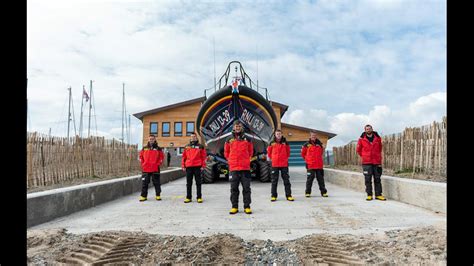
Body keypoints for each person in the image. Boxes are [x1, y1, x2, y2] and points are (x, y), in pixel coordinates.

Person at [224, 121, 253, 214]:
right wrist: (230, 160)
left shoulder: (247, 139)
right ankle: (234, 207)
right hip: (234, 168)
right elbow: (226, 152)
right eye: (236, 126)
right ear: (233, 127)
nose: (238, 128)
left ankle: (247, 206)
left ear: (241, 127)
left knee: (246, 189)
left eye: (239, 126)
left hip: (245, 168)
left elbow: (251, 151)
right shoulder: (229, 139)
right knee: (234, 189)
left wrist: (247, 159)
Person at [356, 124, 386, 201]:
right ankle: (369, 195)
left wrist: (377, 156)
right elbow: (358, 150)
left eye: (369, 128)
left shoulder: (378, 138)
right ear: (365, 130)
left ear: (372, 129)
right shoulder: (361, 139)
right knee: (368, 179)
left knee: (377, 179)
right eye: (367, 129)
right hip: (366, 163)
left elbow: (380, 148)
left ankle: (378, 195)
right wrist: (365, 156)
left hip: (376, 162)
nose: (368, 130)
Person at [267, 129, 294, 202]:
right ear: (275, 135)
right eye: (277, 134)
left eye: (279, 134)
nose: (278, 135)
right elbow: (269, 153)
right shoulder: (271, 143)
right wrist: (273, 159)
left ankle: (289, 195)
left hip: (284, 164)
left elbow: (288, 152)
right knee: (274, 181)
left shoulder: (285, 143)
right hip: (275, 164)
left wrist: (284, 158)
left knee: (286, 181)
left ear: (281, 134)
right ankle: (273, 196)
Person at [181, 133, 207, 203]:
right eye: (192, 137)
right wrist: (183, 165)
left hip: (197, 166)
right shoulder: (187, 146)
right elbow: (184, 157)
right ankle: (188, 197)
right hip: (188, 166)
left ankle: (199, 197)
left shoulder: (200, 146)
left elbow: (203, 157)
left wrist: (203, 165)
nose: (193, 138)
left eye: (194, 137)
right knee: (188, 183)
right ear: (190, 138)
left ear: (196, 138)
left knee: (198, 183)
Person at [301, 131, 328, 198]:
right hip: (310, 165)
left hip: (319, 165)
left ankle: (323, 192)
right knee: (309, 180)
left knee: (321, 180)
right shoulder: (306, 145)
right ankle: (307, 193)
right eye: (312, 135)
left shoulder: (319, 144)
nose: (314, 137)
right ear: (310, 136)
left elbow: (321, 153)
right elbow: (303, 154)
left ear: (316, 136)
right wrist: (308, 160)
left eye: (315, 135)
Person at [139, 134, 164, 202]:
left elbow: (161, 157)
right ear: (148, 139)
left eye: (152, 139)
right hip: (146, 168)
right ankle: (143, 196)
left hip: (155, 168)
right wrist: (143, 164)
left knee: (157, 183)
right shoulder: (144, 148)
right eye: (150, 139)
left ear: (154, 139)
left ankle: (158, 195)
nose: (151, 140)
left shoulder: (158, 149)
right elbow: (140, 157)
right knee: (145, 183)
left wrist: (158, 164)